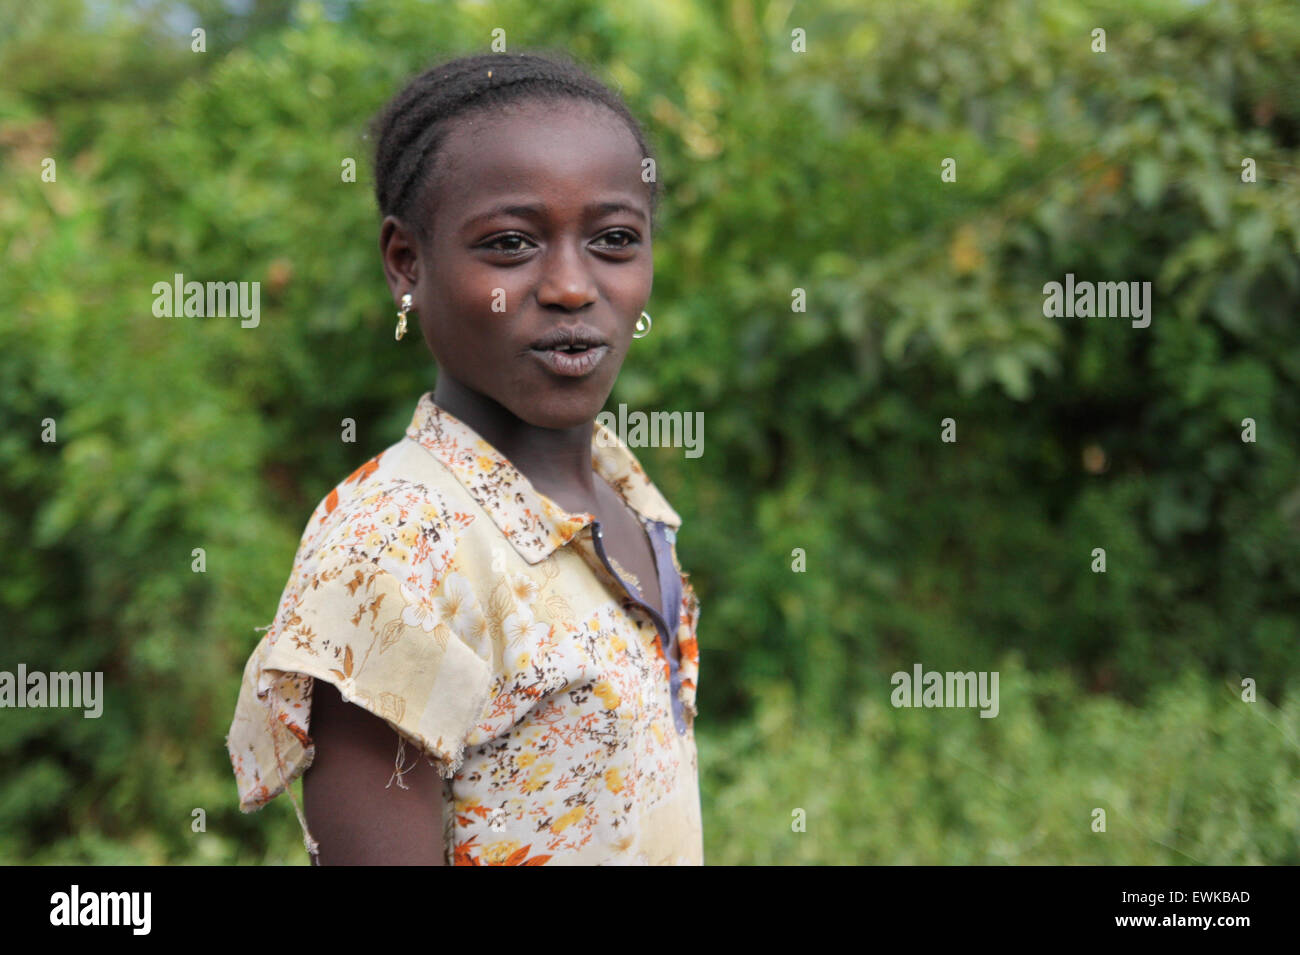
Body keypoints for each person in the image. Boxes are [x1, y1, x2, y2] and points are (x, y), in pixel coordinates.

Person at [225, 50, 704, 865]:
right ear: (407, 262)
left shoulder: (626, 499)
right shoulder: (398, 546)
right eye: (512, 244)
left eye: (614, 239)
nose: (570, 287)